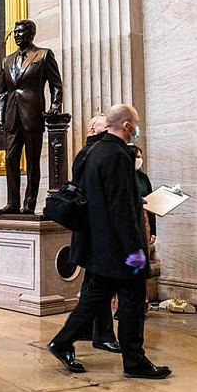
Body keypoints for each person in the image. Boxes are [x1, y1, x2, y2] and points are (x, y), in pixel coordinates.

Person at [48, 104, 171, 379]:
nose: (138, 129)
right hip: (119, 248)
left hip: (98, 244)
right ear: (127, 126)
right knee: (132, 302)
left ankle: (62, 341)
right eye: (136, 124)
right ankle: (135, 362)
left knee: (94, 299)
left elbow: (99, 195)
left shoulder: (93, 150)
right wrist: (135, 252)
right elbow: (121, 209)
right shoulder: (117, 154)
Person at [0, 19, 63, 215]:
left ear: (31, 34)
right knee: (10, 159)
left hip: (32, 115)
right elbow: (3, 93)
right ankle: (12, 203)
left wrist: (55, 105)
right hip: (11, 117)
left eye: (21, 32)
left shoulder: (42, 55)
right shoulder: (6, 61)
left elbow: (56, 85)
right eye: (15, 32)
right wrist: (0, 118)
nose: (17, 35)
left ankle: (29, 203)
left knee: (33, 162)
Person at [71, 113, 121, 353]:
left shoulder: (92, 152)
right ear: (95, 130)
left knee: (93, 282)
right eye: (106, 125)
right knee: (99, 283)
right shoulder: (94, 153)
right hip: (95, 231)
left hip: (93, 230)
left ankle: (83, 330)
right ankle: (100, 335)